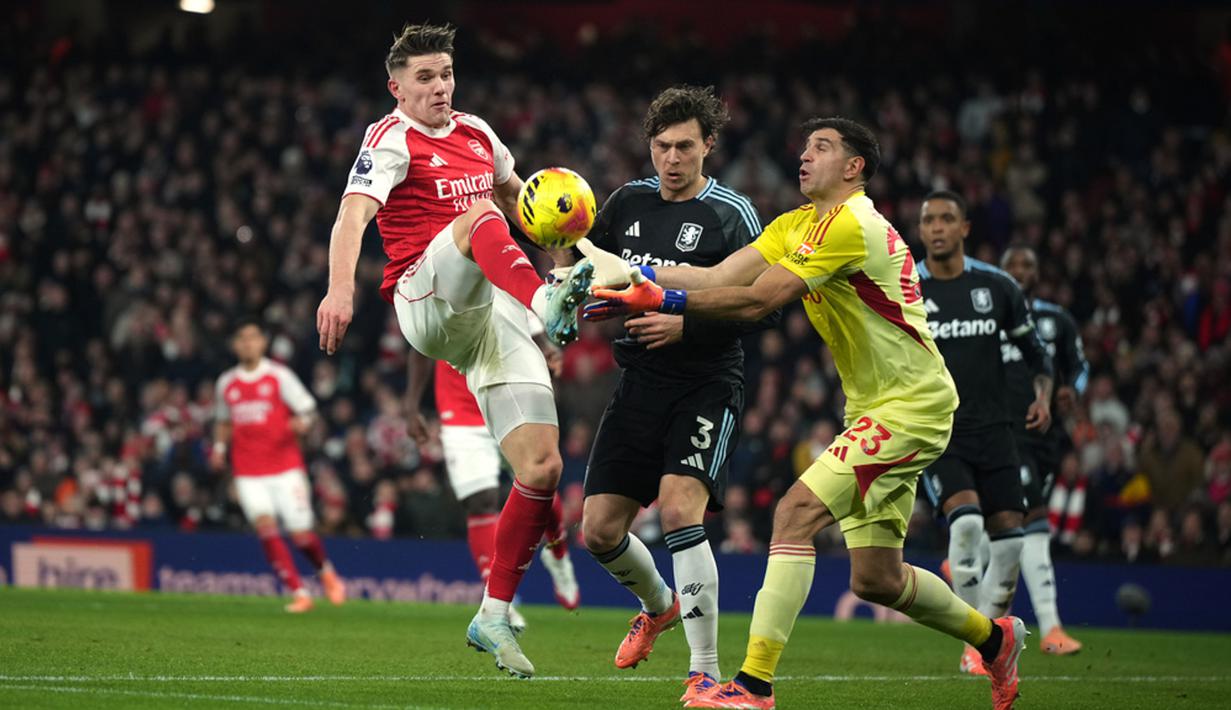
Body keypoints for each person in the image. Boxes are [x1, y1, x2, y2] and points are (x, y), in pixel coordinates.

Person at [584, 117, 1027, 710]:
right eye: (805, 146)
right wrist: (627, 274)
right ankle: (995, 640)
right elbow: (716, 275)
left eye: (822, 147)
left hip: (912, 404)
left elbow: (759, 300)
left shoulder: (853, 224)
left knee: (793, 514)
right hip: (873, 408)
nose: (804, 156)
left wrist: (664, 298)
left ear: (854, 167)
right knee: (877, 579)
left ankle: (753, 686)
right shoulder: (797, 224)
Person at [315, 22, 593, 678]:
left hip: (486, 317)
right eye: (425, 77)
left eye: (445, 74)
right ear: (396, 88)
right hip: (423, 299)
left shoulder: (477, 132)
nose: (440, 87)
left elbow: (523, 201)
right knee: (478, 218)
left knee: (541, 467)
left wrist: (566, 248)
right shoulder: (389, 139)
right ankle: (545, 303)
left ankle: (492, 614)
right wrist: (339, 291)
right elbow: (352, 216)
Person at [561, 85, 771, 703]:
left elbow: (765, 306)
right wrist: (567, 287)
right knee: (598, 532)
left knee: (681, 510)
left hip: (706, 382)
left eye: (684, 147)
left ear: (709, 145)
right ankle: (659, 607)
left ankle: (704, 673)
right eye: (661, 147)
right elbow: (588, 266)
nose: (672, 159)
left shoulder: (732, 213)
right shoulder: (627, 202)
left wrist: (687, 325)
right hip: (638, 382)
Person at [915, 191, 1053, 676]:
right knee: (968, 524)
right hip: (940, 430)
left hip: (996, 432)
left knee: (1011, 542)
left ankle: (990, 640)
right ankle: (972, 643)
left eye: (946, 219)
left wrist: (1043, 397)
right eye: (929, 220)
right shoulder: (907, 287)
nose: (937, 227)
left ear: (965, 228)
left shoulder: (996, 287)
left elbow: (1037, 355)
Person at [403, 327, 581, 626]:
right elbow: (420, 340)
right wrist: (411, 406)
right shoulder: (438, 297)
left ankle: (558, 552)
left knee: (539, 479)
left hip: (507, 396)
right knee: (480, 501)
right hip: (460, 410)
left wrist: (545, 348)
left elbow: (526, 319)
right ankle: (498, 603)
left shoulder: (501, 293)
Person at [211, 318, 346, 613]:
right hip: (248, 471)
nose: (248, 344)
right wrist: (219, 448)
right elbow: (223, 421)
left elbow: (308, 409)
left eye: (253, 337)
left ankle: (326, 572)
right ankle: (299, 592)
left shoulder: (278, 376)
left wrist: (302, 423)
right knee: (265, 526)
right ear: (235, 345)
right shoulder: (227, 383)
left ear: (263, 342)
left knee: (301, 535)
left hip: (286, 467)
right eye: (242, 338)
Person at [1000, 244, 1089, 655]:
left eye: (1027, 264)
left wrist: (1073, 390)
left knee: (1012, 528)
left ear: (1038, 273)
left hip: (1045, 439)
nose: (1020, 270)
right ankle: (1052, 629)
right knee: (1034, 520)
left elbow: (1079, 367)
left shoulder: (1057, 321)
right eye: (1012, 265)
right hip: (1004, 435)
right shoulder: (989, 320)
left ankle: (973, 560)